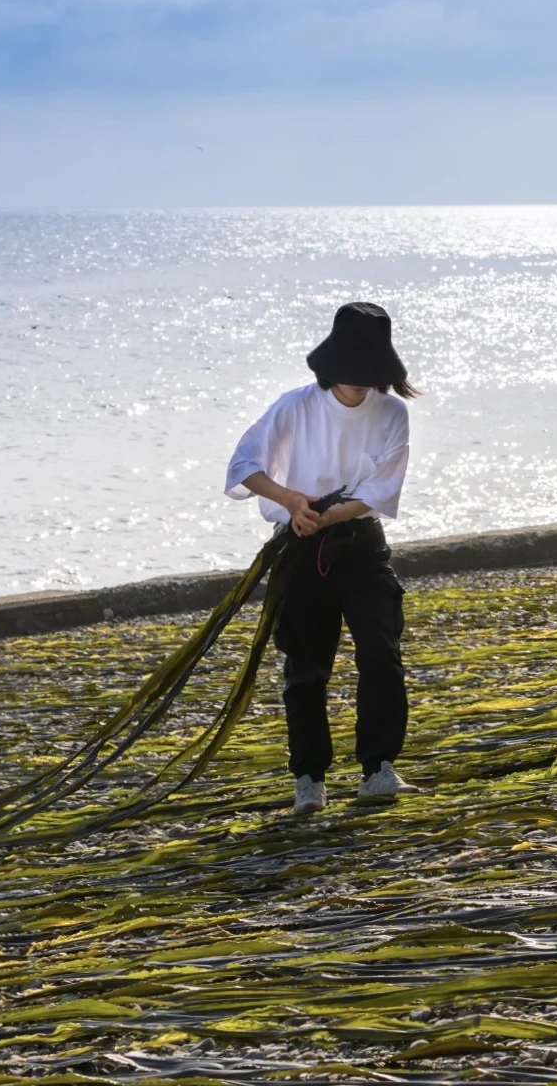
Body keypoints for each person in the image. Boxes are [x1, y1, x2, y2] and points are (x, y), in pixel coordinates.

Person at [225, 302, 420, 816]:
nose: (357, 380)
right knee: (306, 667)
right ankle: (309, 779)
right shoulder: (294, 407)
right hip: (301, 547)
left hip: (362, 543)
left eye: (368, 370)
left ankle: (378, 769)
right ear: (331, 365)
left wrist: (327, 515)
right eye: (350, 369)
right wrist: (292, 501)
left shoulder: (392, 414)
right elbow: (244, 465)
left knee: (380, 652)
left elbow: (379, 491)